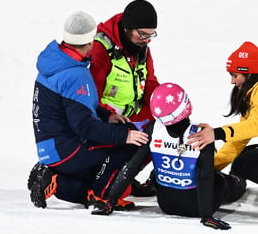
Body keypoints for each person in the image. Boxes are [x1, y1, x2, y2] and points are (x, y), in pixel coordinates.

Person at [28, 11, 149, 210]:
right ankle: (104, 196)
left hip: (50, 149)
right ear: (89, 41)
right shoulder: (76, 74)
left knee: (94, 179)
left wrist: (107, 116)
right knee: (132, 145)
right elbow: (84, 126)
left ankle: (56, 181)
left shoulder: (55, 61)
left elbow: (73, 107)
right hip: (68, 150)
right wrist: (124, 135)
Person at [90, 83, 246, 230]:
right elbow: (205, 178)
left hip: (166, 204)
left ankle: (153, 182)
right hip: (196, 208)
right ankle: (237, 180)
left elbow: (131, 167)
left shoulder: (152, 129)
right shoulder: (202, 135)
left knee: (156, 172)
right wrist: (206, 216)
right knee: (223, 181)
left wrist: (110, 201)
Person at [88, 0, 160, 196]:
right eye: (143, 34)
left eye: (150, 34)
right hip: (106, 121)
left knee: (161, 129)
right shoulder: (101, 48)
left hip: (132, 118)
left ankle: (126, 175)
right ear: (128, 28)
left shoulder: (141, 46)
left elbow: (150, 83)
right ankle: (108, 178)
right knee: (137, 138)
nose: (147, 40)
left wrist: (167, 104)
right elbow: (91, 95)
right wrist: (110, 117)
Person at [188, 41, 258, 183]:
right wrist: (211, 167)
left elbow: (254, 125)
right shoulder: (251, 93)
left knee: (245, 164)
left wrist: (218, 133)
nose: (232, 81)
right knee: (243, 156)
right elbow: (240, 138)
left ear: (249, 74)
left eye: (235, 75)